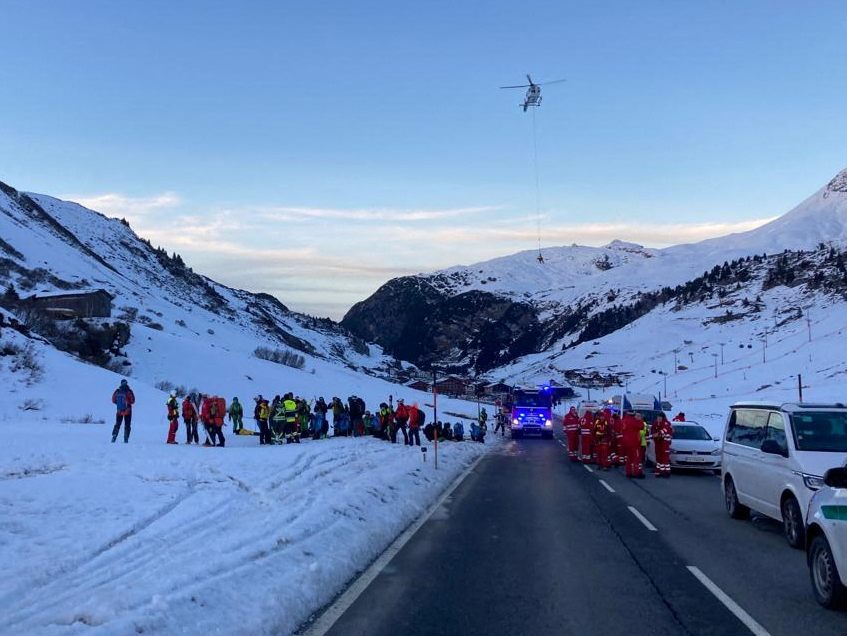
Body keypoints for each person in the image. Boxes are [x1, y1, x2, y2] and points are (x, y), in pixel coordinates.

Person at [111, 379, 135, 443]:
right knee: (127, 424)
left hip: (119, 411)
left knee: (117, 424)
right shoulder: (129, 391)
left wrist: (118, 403)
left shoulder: (117, 391)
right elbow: (133, 401)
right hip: (128, 411)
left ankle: (114, 436)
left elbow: (113, 400)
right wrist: (128, 402)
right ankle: (126, 438)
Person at [622, 411, 645, 478]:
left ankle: (628, 472)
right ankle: (636, 472)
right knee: (636, 458)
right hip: (634, 442)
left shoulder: (624, 420)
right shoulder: (634, 421)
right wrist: (640, 419)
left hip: (626, 442)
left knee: (629, 458)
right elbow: (642, 426)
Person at [651, 413, 673, 478]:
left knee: (665, 459)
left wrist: (657, 434)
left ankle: (666, 472)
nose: (658, 419)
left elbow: (664, 430)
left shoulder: (666, 423)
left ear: (663, 418)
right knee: (659, 459)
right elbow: (653, 429)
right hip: (658, 443)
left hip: (665, 444)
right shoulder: (656, 423)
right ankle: (659, 472)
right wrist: (653, 434)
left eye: (660, 417)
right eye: (658, 417)